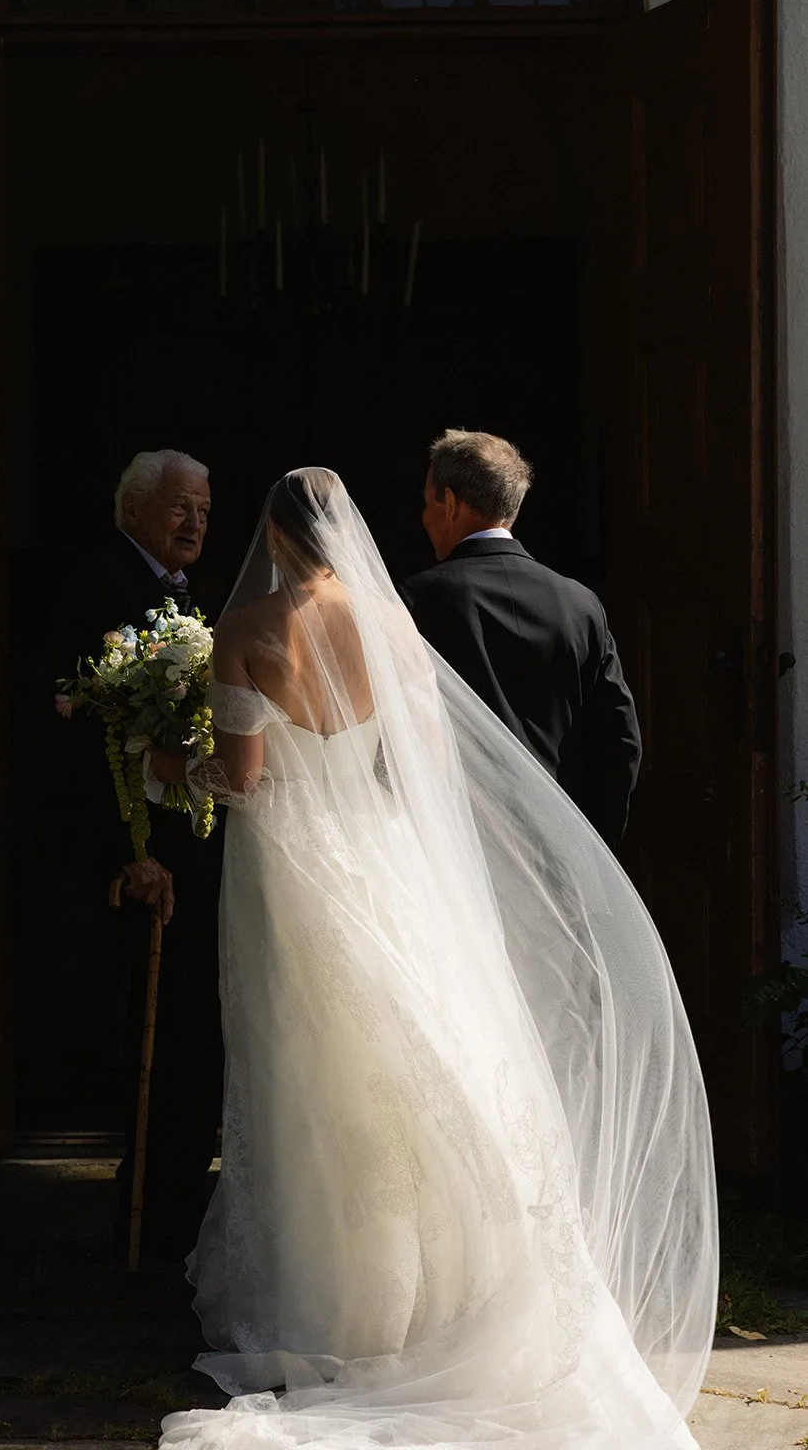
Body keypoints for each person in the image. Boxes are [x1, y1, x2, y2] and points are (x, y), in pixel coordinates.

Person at [151, 468, 715, 1450]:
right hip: (381, 860)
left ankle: (334, 1308)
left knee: (310, 1074)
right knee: (407, 1065)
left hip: (289, 870)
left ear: (276, 541)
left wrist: (163, 768)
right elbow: (415, 769)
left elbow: (238, 777)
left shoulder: (245, 634)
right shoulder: (393, 630)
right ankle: (436, 1303)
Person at [49, 447, 224, 1262]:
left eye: (201, 510)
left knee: (193, 1036)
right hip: (140, 856)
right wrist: (127, 854)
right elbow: (87, 731)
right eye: (178, 507)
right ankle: (149, 1224)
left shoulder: (181, 593)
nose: (193, 522)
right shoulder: (101, 583)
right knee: (163, 1037)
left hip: (181, 843)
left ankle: (170, 1214)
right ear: (134, 511)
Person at [400, 429, 642, 847]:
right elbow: (620, 740)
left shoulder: (416, 601)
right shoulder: (578, 603)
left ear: (452, 503)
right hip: (559, 848)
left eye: (428, 501)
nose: (424, 517)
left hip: (461, 849)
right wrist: (591, 846)